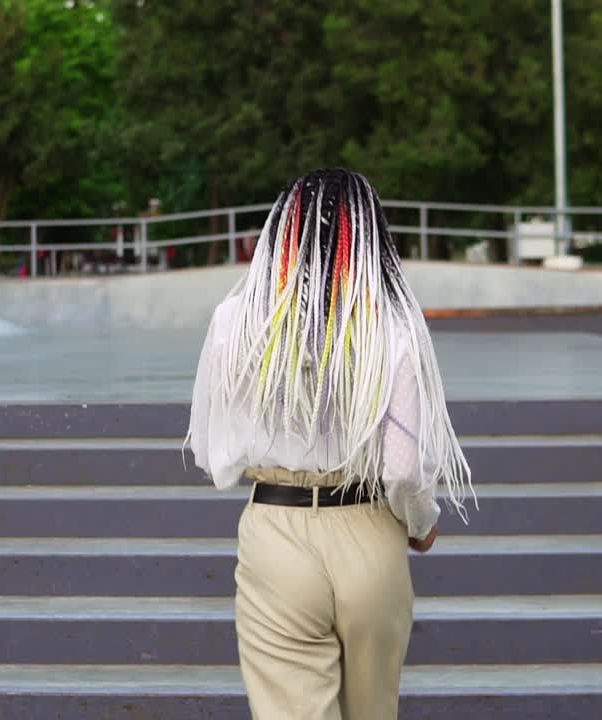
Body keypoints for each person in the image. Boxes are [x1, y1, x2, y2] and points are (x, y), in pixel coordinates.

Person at [187, 168, 473, 720]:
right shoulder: (393, 324)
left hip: (277, 527)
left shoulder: (236, 321)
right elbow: (403, 466)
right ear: (370, 234)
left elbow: (209, 451)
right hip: (369, 530)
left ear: (283, 229)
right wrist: (421, 522)